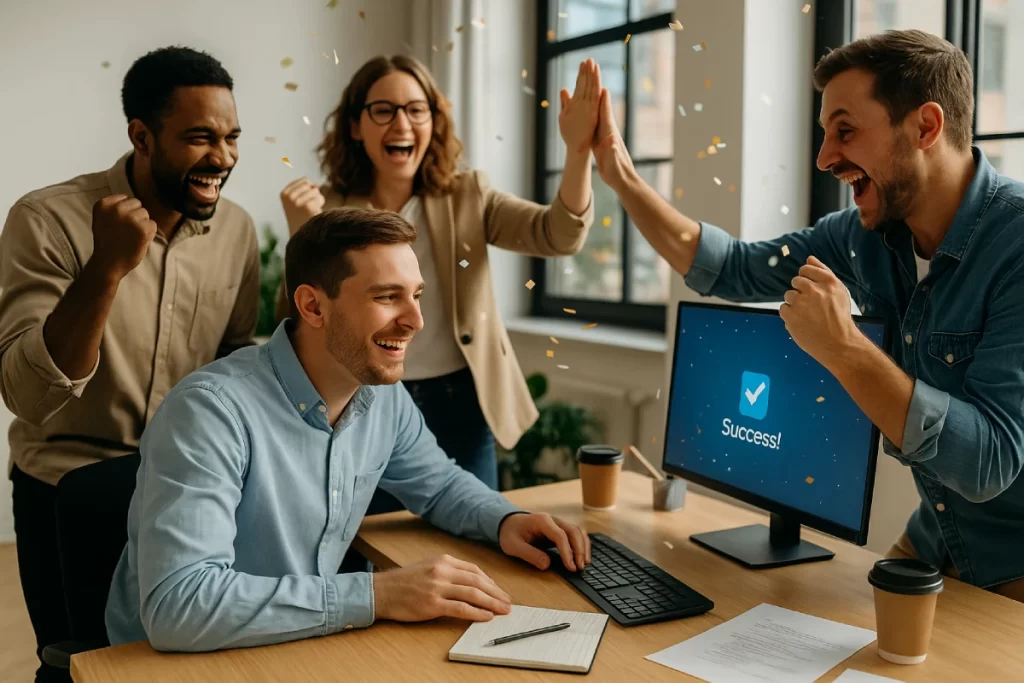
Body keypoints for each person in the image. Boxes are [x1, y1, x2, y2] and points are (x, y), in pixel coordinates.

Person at [589, 30, 1024, 601]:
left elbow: (987, 463)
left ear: (925, 127)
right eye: (825, 134)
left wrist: (844, 348)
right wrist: (617, 169)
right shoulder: (861, 235)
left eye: (845, 130)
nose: (824, 158)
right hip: (935, 538)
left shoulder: (1014, 245)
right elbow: (731, 268)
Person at [104, 207, 591, 651]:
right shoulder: (210, 414)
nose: (416, 320)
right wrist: (378, 595)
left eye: (416, 296)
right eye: (387, 297)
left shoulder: (380, 394)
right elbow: (179, 607)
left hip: (292, 643)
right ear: (314, 307)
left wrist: (504, 520)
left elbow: (438, 485)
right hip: (167, 663)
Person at [0, 46, 258, 681]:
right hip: (65, 493)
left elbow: (233, 358)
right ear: (141, 136)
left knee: (181, 666)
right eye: (199, 138)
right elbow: (28, 395)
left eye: (230, 137)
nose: (221, 158)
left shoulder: (238, 231)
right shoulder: (47, 219)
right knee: (79, 668)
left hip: (188, 490)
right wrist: (106, 268)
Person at [277, 54, 598, 506]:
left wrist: (579, 152)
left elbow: (558, 234)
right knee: (366, 544)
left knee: (475, 535)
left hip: (460, 401)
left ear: (434, 120)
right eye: (383, 110)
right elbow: (298, 319)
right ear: (355, 126)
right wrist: (302, 237)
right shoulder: (323, 208)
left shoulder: (468, 195)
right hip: (363, 400)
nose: (401, 123)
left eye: (416, 109)